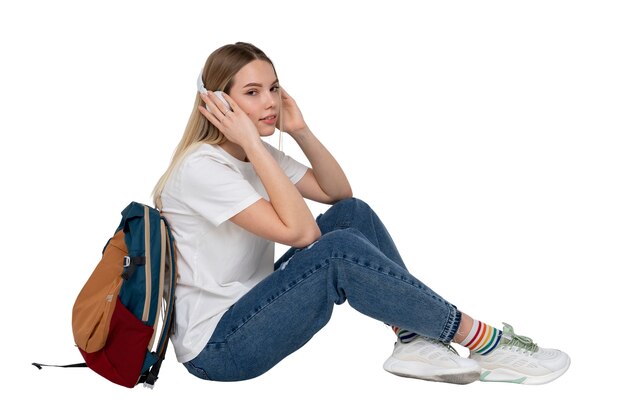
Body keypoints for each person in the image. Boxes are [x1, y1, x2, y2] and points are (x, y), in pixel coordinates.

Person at [152, 42, 570, 385]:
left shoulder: (254, 155)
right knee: (336, 250)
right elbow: (300, 234)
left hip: (256, 307)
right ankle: (486, 343)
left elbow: (338, 193)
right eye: (252, 92)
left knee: (352, 215)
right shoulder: (202, 168)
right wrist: (257, 145)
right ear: (217, 103)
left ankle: (414, 339)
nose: (270, 102)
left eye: (274, 88)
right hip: (221, 346)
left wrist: (300, 131)